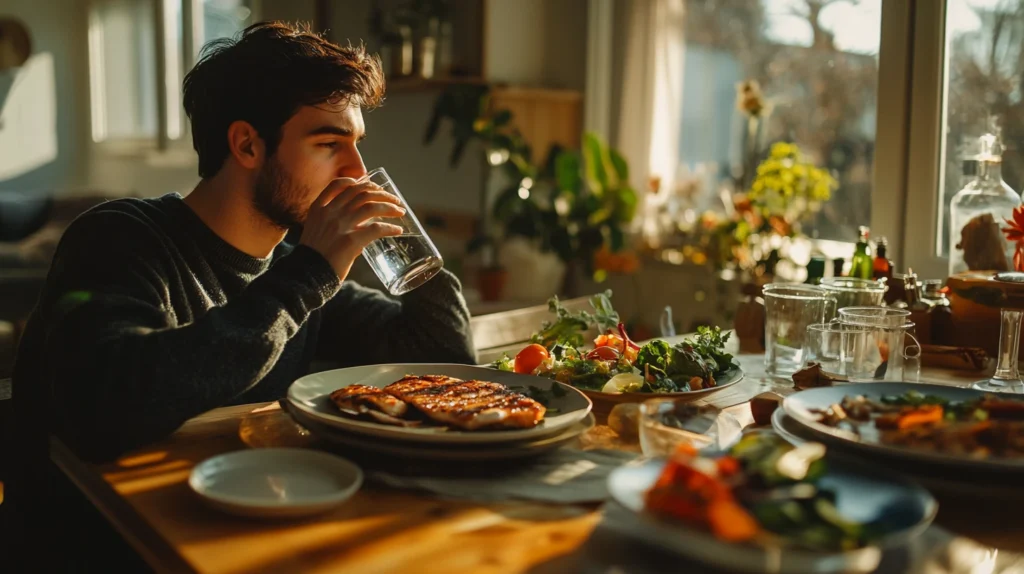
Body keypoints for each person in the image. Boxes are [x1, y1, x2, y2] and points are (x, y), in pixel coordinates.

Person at [11, 21, 477, 469]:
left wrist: (413, 252)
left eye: (356, 144)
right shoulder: (118, 238)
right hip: (100, 536)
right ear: (247, 146)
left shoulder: (293, 273)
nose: (357, 171)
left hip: (229, 519)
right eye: (329, 144)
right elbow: (107, 409)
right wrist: (311, 274)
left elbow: (446, 359)